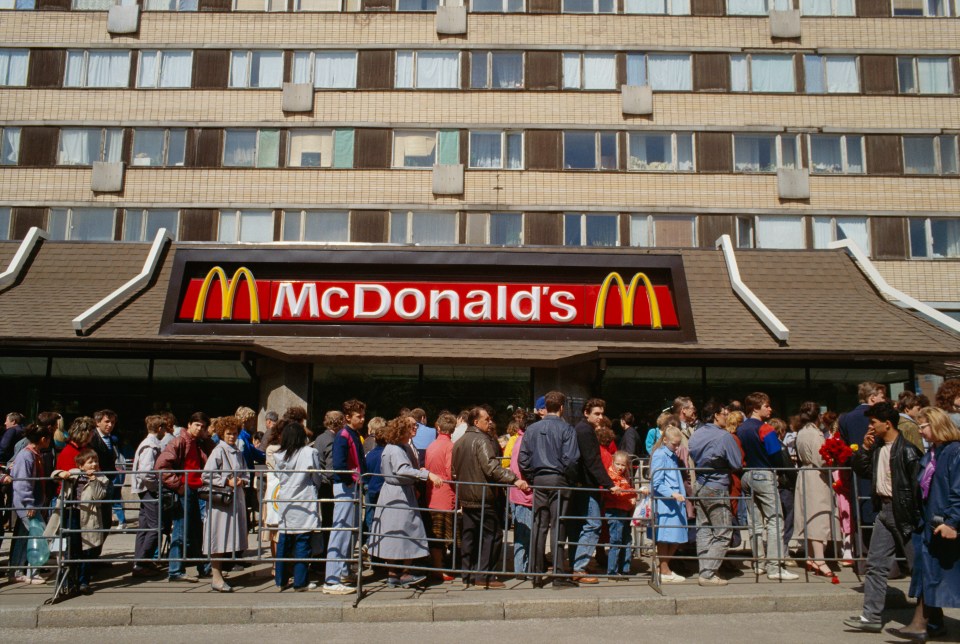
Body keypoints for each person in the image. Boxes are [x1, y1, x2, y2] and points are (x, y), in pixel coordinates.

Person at [843, 401, 923, 633]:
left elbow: (916, 488)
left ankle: (931, 618)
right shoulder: (877, 448)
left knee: (918, 567)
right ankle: (871, 616)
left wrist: (915, 517)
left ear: (887, 424)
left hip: (904, 514)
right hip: (884, 511)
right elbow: (863, 470)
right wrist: (865, 450)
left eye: (873, 423)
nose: (869, 427)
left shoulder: (908, 451)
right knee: (876, 564)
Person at [889, 407, 959, 641]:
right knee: (928, 574)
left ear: (937, 425)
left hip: (946, 525)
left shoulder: (954, 452)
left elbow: (957, 492)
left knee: (938, 575)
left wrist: (953, 522)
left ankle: (922, 624)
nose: (919, 431)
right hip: (931, 525)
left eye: (923, 426)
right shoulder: (933, 453)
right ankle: (928, 624)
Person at [452, 406, 528, 589]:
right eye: (486, 419)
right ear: (476, 422)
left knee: (470, 535)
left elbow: (454, 471)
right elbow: (491, 468)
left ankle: (467, 574)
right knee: (492, 535)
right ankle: (484, 576)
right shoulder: (481, 440)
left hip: (467, 496)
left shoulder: (460, 441)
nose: (490, 422)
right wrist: (515, 480)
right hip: (483, 497)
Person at [368, 416, 442, 587]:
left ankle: (393, 573)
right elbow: (402, 470)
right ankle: (405, 573)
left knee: (396, 533)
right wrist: (426, 475)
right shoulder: (396, 449)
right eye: (411, 427)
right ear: (402, 430)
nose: (415, 429)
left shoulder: (397, 447)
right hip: (399, 495)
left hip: (395, 493)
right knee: (407, 531)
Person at [518, 390, 580, 588]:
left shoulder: (532, 429)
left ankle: (536, 575)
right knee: (558, 526)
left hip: (539, 480)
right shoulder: (567, 429)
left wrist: (532, 476)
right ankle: (559, 575)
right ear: (561, 407)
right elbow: (571, 459)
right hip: (559, 480)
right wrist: (569, 479)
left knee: (539, 526)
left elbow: (523, 459)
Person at [736, 392, 798, 581]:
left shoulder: (740, 429)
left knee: (754, 522)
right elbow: (775, 454)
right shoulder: (765, 429)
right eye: (767, 405)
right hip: (764, 473)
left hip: (747, 475)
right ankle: (774, 566)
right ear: (756, 407)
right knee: (775, 520)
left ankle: (759, 562)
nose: (770, 409)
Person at [688, 399, 741, 586]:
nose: (727, 416)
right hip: (717, 485)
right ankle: (708, 573)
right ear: (716, 415)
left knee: (704, 529)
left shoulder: (697, 434)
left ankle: (706, 569)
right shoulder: (724, 436)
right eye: (725, 413)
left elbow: (692, 454)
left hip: (700, 484)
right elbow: (736, 463)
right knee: (723, 531)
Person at [156, 411, 213, 582]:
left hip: (196, 489)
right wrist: (178, 486)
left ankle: (203, 567)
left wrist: (206, 436)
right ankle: (175, 570)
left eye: (203, 426)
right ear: (189, 424)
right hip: (184, 489)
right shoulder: (179, 441)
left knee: (196, 531)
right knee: (180, 531)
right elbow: (161, 466)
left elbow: (214, 451)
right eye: (197, 425)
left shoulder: (200, 443)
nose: (199, 429)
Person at [273, 421, 323, 592]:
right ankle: (300, 582)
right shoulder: (310, 452)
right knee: (303, 541)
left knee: (284, 540)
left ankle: (280, 580)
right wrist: (315, 487)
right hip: (304, 497)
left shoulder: (279, 455)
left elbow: (279, 476)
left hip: (286, 498)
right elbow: (316, 475)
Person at [323, 399, 367, 595]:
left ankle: (341, 572)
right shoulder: (343, 436)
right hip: (346, 487)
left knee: (347, 532)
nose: (363, 419)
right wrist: (351, 478)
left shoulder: (352, 434)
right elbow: (339, 464)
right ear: (348, 417)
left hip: (352, 486)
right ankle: (331, 579)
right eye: (359, 416)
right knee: (340, 531)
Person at [838, 381, 888, 552]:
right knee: (879, 512)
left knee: (860, 513)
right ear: (873, 398)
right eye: (882, 397)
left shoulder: (845, 418)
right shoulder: (878, 417)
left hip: (856, 471)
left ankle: (862, 557)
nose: (885, 400)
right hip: (877, 468)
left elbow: (843, 447)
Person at [570, 397, 615, 585]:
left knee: (585, 525)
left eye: (602, 413)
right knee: (593, 524)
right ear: (586, 413)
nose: (600, 417)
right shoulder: (585, 431)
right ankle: (579, 567)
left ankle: (579, 564)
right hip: (586, 485)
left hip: (585, 484)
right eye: (597, 413)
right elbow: (592, 461)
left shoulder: (583, 429)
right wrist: (609, 483)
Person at [793, 401, 839, 583]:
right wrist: (834, 459)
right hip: (816, 476)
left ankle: (812, 557)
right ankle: (819, 559)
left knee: (810, 514)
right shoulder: (815, 434)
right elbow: (822, 459)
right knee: (818, 515)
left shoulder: (802, 432)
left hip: (804, 474)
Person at [52, 449, 109, 595]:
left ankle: (84, 582)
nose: (94, 464)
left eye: (95, 461)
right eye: (90, 462)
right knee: (72, 549)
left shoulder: (102, 478)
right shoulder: (74, 473)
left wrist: (93, 480)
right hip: (72, 515)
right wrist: (61, 474)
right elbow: (54, 475)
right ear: (81, 465)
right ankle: (71, 583)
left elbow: (99, 496)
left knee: (87, 551)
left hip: (89, 517)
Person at [202, 416, 249, 593]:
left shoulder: (237, 451)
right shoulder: (218, 451)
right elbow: (206, 475)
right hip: (222, 501)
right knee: (218, 537)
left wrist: (242, 481)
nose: (231, 437)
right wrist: (226, 481)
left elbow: (245, 474)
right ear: (222, 434)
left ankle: (219, 574)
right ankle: (216, 576)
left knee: (227, 537)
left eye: (234, 434)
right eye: (228, 434)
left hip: (234, 499)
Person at [10, 422, 52, 585]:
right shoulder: (26, 456)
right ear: (43, 439)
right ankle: (31, 572)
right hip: (27, 505)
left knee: (24, 537)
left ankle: (17, 571)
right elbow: (22, 483)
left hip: (31, 503)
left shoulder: (33, 454)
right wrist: (29, 505)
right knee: (39, 535)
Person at [130, 415, 167, 578]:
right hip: (149, 490)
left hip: (145, 489)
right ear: (160, 429)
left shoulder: (150, 443)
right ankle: (142, 561)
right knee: (155, 527)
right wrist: (156, 486)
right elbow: (146, 472)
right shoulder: (151, 446)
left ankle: (141, 560)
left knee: (145, 526)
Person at [650, 425, 688, 583]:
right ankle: (664, 569)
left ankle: (664, 568)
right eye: (674, 444)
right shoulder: (660, 455)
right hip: (667, 503)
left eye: (679, 443)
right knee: (667, 537)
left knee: (675, 536)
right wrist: (672, 494)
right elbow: (656, 482)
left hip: (674, 502)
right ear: (665, 440)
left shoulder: (670, 454)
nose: (677, 447)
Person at [425, 412, 456, 581]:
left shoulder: (432, 445)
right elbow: (450, 472)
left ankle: (437, 566)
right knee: (440, 533)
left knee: (435, 532)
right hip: (444, 493)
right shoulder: (450, 446)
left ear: (438, 427)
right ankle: (439, 568)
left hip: (432, 492)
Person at [507, 412, 534, 579]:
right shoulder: (526, 442)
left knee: (522, 533)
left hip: (519, 493)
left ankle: (522, 568)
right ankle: (521, 570)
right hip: (524, 493)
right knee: (524, 534)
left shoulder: (518, 440)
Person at [605, 450, 638, 578]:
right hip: (615, 510)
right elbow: (619, 493)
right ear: (613, 463)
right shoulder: (611, 475)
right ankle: (612, 571)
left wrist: (632, 494)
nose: (620, 467)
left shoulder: (624, 476)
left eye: (623, 465)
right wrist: (634, 493)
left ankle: (625, 569)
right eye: (617, 464)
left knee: (626, 539)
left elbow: (624, 491)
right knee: (616, 540)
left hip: (624, 510)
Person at [313, 410, 342, 557]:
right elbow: (331, 469)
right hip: (328, 485)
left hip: (322, 483)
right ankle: (326, 554)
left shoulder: (320, 438)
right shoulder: (332, 440)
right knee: (329, 521)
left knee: (326, 520)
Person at [89, 409, 123, 532]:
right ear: (97, 422)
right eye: (107, 422)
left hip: (109, 480)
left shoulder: (113, 439)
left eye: (113, 422)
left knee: (106, 520)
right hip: (96, 481)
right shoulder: (92, 438)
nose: (110, 425)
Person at [363, 418, 386, 547]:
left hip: (368, 483)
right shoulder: (381, 448)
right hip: (379, 485)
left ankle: (368, 543)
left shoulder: (365, 443)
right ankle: (372, 544)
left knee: (369, 514)